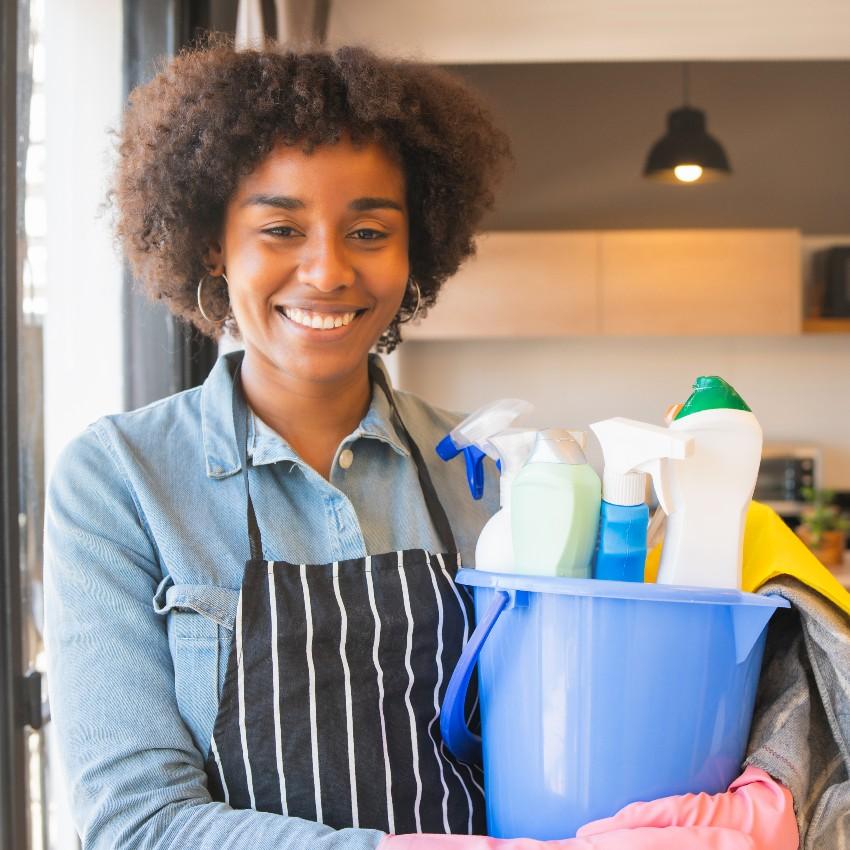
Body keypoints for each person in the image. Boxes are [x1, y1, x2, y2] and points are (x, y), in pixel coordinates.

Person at [44, 39, 800, 850]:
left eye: (369, 231)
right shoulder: (121, 480)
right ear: (210, 246)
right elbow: (135, 823)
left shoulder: (498, 471)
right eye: (279, 228)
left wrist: (760, 784)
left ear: (417, 250)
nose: (328, 270)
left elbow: (598, 708)